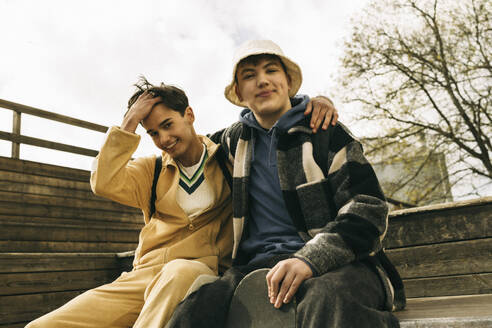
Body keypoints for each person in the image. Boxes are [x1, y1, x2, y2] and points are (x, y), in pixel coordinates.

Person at [25, 76, 337, 328]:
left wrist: (312, 103)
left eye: (167, 125)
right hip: (144, 276)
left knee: (178, 271)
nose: (163, 139)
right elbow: (103, 181)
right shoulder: (152, 169)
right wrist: (129, 122)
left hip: (200, 272)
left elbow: (266, 118)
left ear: (189, 115)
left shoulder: (228, 153)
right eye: (153, 133)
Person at [166, 40, 406, 328]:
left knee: (323, 299)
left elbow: (369, 209)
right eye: (249, 76)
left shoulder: (326, 133)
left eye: (271, 71)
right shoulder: (232, 142)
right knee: (194, 311)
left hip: (340, 263)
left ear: (288, 81)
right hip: (257, 269)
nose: (263, 81)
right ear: (240, 93)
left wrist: (310, 260)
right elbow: (184, 145)